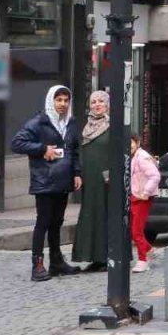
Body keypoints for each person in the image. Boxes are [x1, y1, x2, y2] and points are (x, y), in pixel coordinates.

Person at [10, 85, 83, 281]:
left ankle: (57, 262)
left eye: (66, 100)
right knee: (43, 222)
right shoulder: (39, 122)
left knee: (57, 223)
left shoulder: (70, 122)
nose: (62, 104)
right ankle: (38, 265)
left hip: (63, 180)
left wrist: (76, 172)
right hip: (44, 180)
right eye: (58, 100)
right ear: (51, 101)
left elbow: (73, 149)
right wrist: (42, 148)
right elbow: (17, 143)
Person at [72, 89, 111, 271]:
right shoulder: (85, 127)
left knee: (105, 216)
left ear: (107, 105)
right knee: (90, 215)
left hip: (106, 181)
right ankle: (91, 256)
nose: (97, 105)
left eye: (101, 101)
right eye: (93, 101)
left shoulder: (114, 126)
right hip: (89, 180)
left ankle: (106, 257)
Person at [129, 133, 161, 273]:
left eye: (130, 143)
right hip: (136, 196)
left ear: (137, 143)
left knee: (136, 231)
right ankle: (149, 250)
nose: (128, 146)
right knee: (133, 230)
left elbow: (155, 176)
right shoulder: (134, 157)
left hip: (141, 197)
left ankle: (143, 260)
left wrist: (145, 193)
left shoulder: (141, 157)